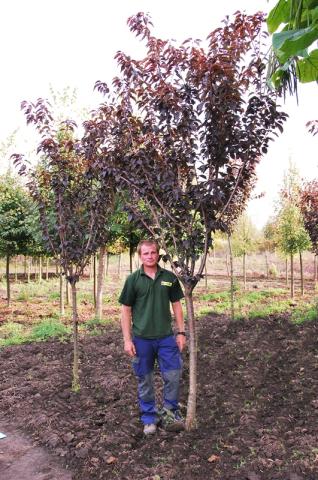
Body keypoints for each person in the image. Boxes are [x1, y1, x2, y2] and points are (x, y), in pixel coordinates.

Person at [119, 239, 186, 435]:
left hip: (166, 338)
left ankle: (170, 413)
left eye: (153, 252)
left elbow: (177, 305)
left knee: (173, 375)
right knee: (145, 379)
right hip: (142, 340)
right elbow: (125, 311)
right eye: (146, 253)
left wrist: (181, 332)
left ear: (158, 254)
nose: (150, 256)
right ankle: (149, 418)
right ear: (140, 256)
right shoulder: (133, 280)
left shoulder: (169, 278)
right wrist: (127, 340)